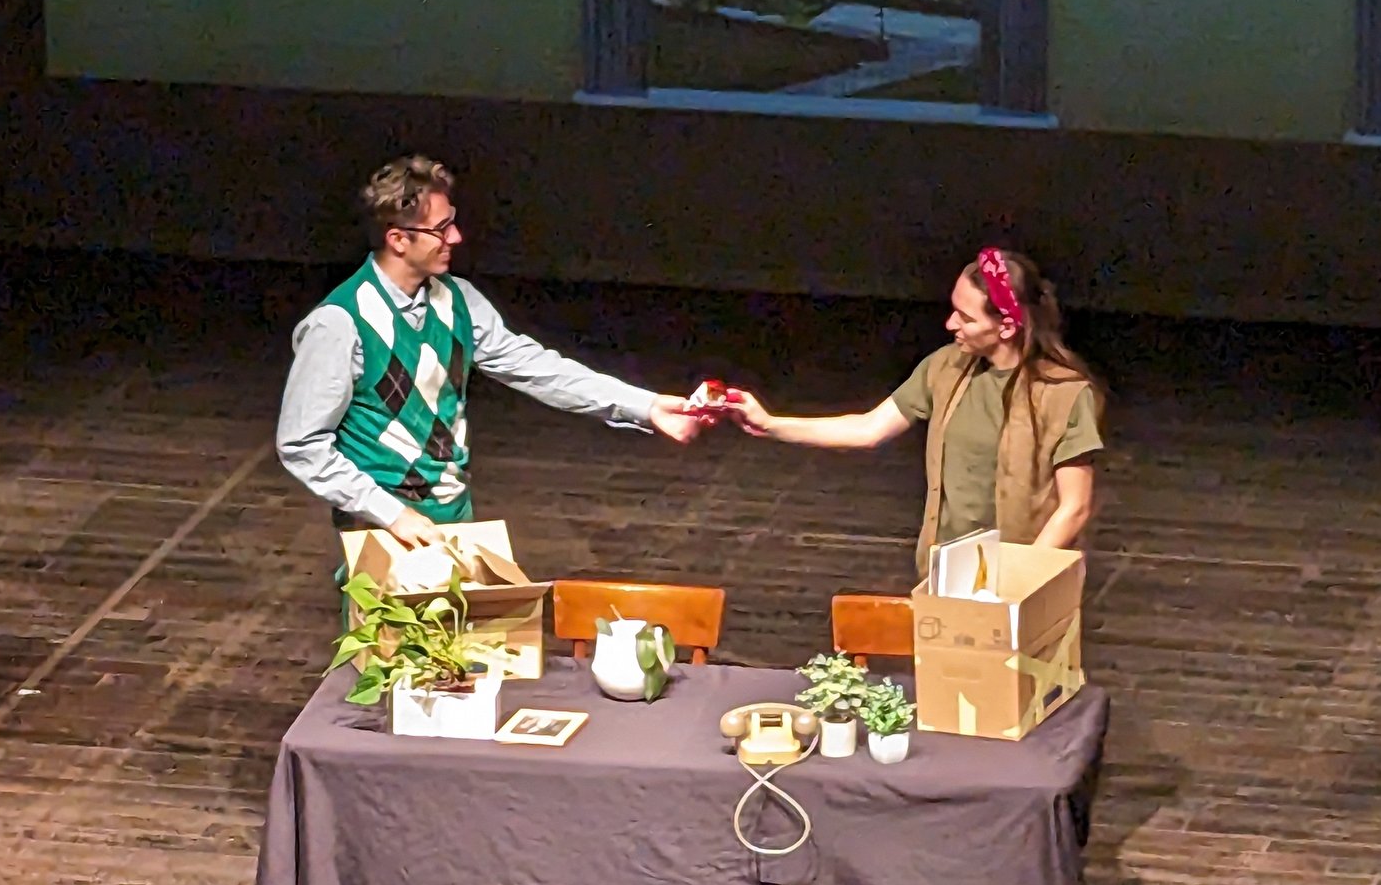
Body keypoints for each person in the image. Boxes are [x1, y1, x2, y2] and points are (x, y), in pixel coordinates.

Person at [277, 155, 703, 545]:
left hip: (453, 515)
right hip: (381, 528)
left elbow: (535, 368)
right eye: (440, 229)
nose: (456, 237)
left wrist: (644, 406)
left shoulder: (458, 299)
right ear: (398, 240)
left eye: (452, 222)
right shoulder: (340, 322)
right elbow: (302, 442)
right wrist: (390, 514)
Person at [729, 248, 1103, 573]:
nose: (950, 324)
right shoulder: (945, 367)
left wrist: (1021, 584)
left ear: (1006, 327)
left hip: (1025, 579)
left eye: (966, 318)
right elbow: (869, 428)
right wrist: (770, 423)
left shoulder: (1062, 394)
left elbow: (1074, 507)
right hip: (951, 572)